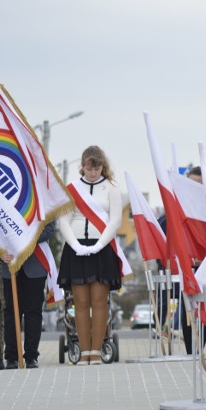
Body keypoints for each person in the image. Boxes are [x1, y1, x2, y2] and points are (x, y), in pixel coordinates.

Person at [58, 146, 123, 365]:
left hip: (101, 249)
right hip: (75, 249)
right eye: (88, 167)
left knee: (99, 301)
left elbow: (115, 221)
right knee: (81, 302)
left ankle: (96, 352)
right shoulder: (71, 189)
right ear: (83, 166)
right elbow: (64, 220)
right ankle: (84, 351)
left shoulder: (111, 188)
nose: (92, 172)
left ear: (103, 166)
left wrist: (99, 245)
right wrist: (75, 244)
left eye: (96, 168)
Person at [1, 222, 55, 369]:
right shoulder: (4, 198)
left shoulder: (42, 198)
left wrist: (23, 241)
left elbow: (49, 228)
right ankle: (11, 357)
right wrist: (0, 250)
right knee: (11, 312)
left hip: (35, 262)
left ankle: (31, 356)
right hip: (10, 262)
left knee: (34, 311)